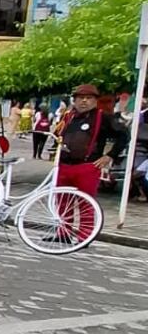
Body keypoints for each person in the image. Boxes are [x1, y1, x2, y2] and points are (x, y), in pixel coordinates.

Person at [53, 85, 118, 238]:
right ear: (74, 100)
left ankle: (84, 236)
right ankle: (63, 233)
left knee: (85, 202)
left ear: (95, 101)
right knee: (62, 201)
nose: (84, 101)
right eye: (80, 98)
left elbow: (124, 137)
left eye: (89, 98)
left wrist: (109, 155)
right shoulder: (68, 116)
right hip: (64, 165)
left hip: (88, 166)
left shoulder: (104, 117)